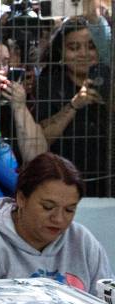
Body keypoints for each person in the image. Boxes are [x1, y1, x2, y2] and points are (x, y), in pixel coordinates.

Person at [0, 152, 112, 294]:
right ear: (21, 198)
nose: (58, 219)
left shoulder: (82, 242)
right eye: (47, 207)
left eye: (69, 210)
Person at [35, 17, 110, 194]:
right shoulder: (49, 83)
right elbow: (40, 140)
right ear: (61, 52)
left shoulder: (109, 77)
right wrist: (74, 105)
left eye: (91, 46)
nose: (84, 54)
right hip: (63, 181)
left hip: (107, 180)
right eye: (74, 48)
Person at [0, 32, 47, 165]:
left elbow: (37, 156)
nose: (0, 68)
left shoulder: (7, 99)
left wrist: (20, 107)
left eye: (5, 63)